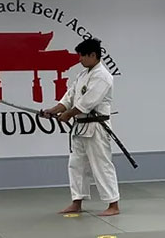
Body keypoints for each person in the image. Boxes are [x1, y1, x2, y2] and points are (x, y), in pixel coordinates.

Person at [40, 38, 120, 216]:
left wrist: (67, 115)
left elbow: (87, 102)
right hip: (80, 127)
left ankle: (113, 205)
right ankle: (77, 201)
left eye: (83, 56)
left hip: (97, 127)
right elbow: (69, 98)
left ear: (93, 55)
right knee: (76, 165)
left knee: (101, 165)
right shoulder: (82, 75)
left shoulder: (103, 76)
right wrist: (52, 111)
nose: (80, 59)